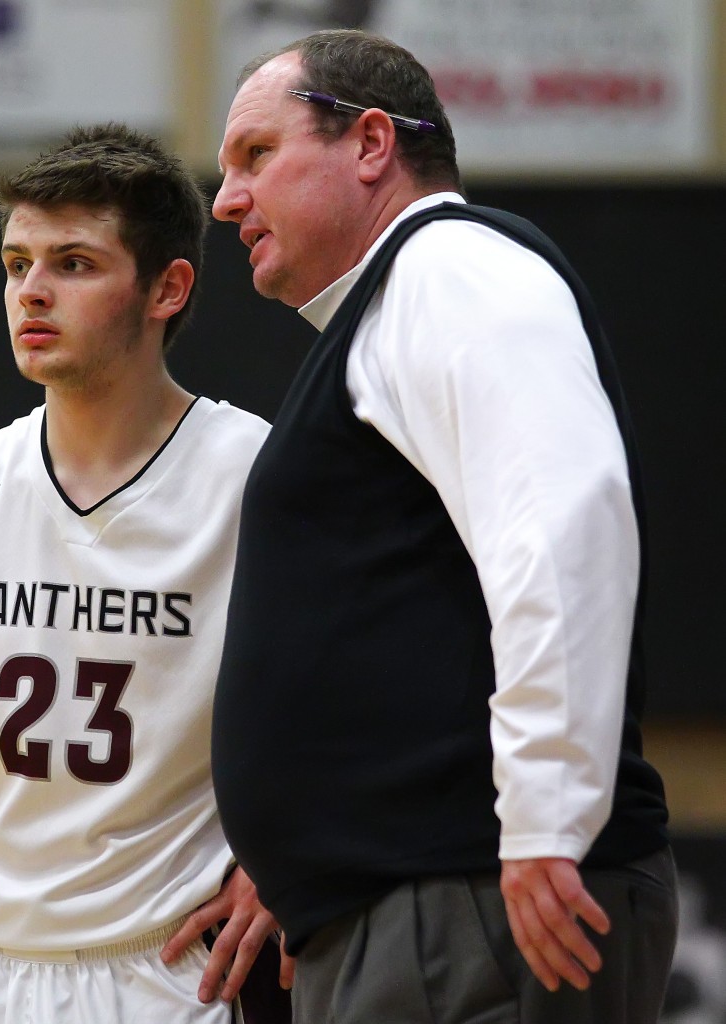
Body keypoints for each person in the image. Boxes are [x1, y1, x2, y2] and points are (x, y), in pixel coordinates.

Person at [210, 28, 678, 1024]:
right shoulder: (394, 308)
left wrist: (546, 819)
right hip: (413, 909)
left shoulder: (452, 270)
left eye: (256, 154)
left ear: (371, 143)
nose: (225, 200)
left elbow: (560, 522)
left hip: (478, 904)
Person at [0, 123, 280, 1024]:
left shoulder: (256, 474)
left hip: (174, 969)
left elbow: (350, 696)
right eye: (18, 264)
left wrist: (290, 860)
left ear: (167, 288)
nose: (32, 293)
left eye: (74, 264)